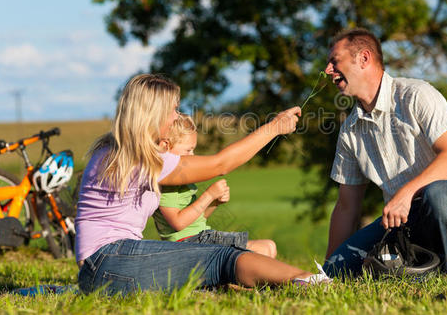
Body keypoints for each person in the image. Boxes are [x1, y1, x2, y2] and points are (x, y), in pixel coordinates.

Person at [75, 74, 330, 295]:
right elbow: (221, 164)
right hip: (110, 261)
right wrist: (274, 128)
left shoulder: (117, 152)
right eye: (173, 110)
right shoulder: (138, 159)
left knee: (213, 262)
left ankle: (297, 281)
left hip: (105, 266)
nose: (176, 117)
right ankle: (308, 280)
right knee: (222, 257)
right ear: (153, 115)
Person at [322, 28, 447, 281]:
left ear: (364, 58)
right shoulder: (349, 131)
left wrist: (406, 193)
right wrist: (328, 272)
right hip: (404, 225)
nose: (328, 70)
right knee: (339, 269)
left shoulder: (417, 95)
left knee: (438, 194)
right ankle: (410, 266)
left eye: (335, 61)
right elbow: (347, 207)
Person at [152, 113, 277, 257]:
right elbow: (178, 222)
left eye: (193, 149)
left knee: (269, 246)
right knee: (265, 249)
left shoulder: (182, 180)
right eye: (188, 150)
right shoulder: (168, 184)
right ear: (165, 147)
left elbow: (196, 219)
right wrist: (208, 195)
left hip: (199, 236)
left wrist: (214, 202)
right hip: (188, 243)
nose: (192, 155)